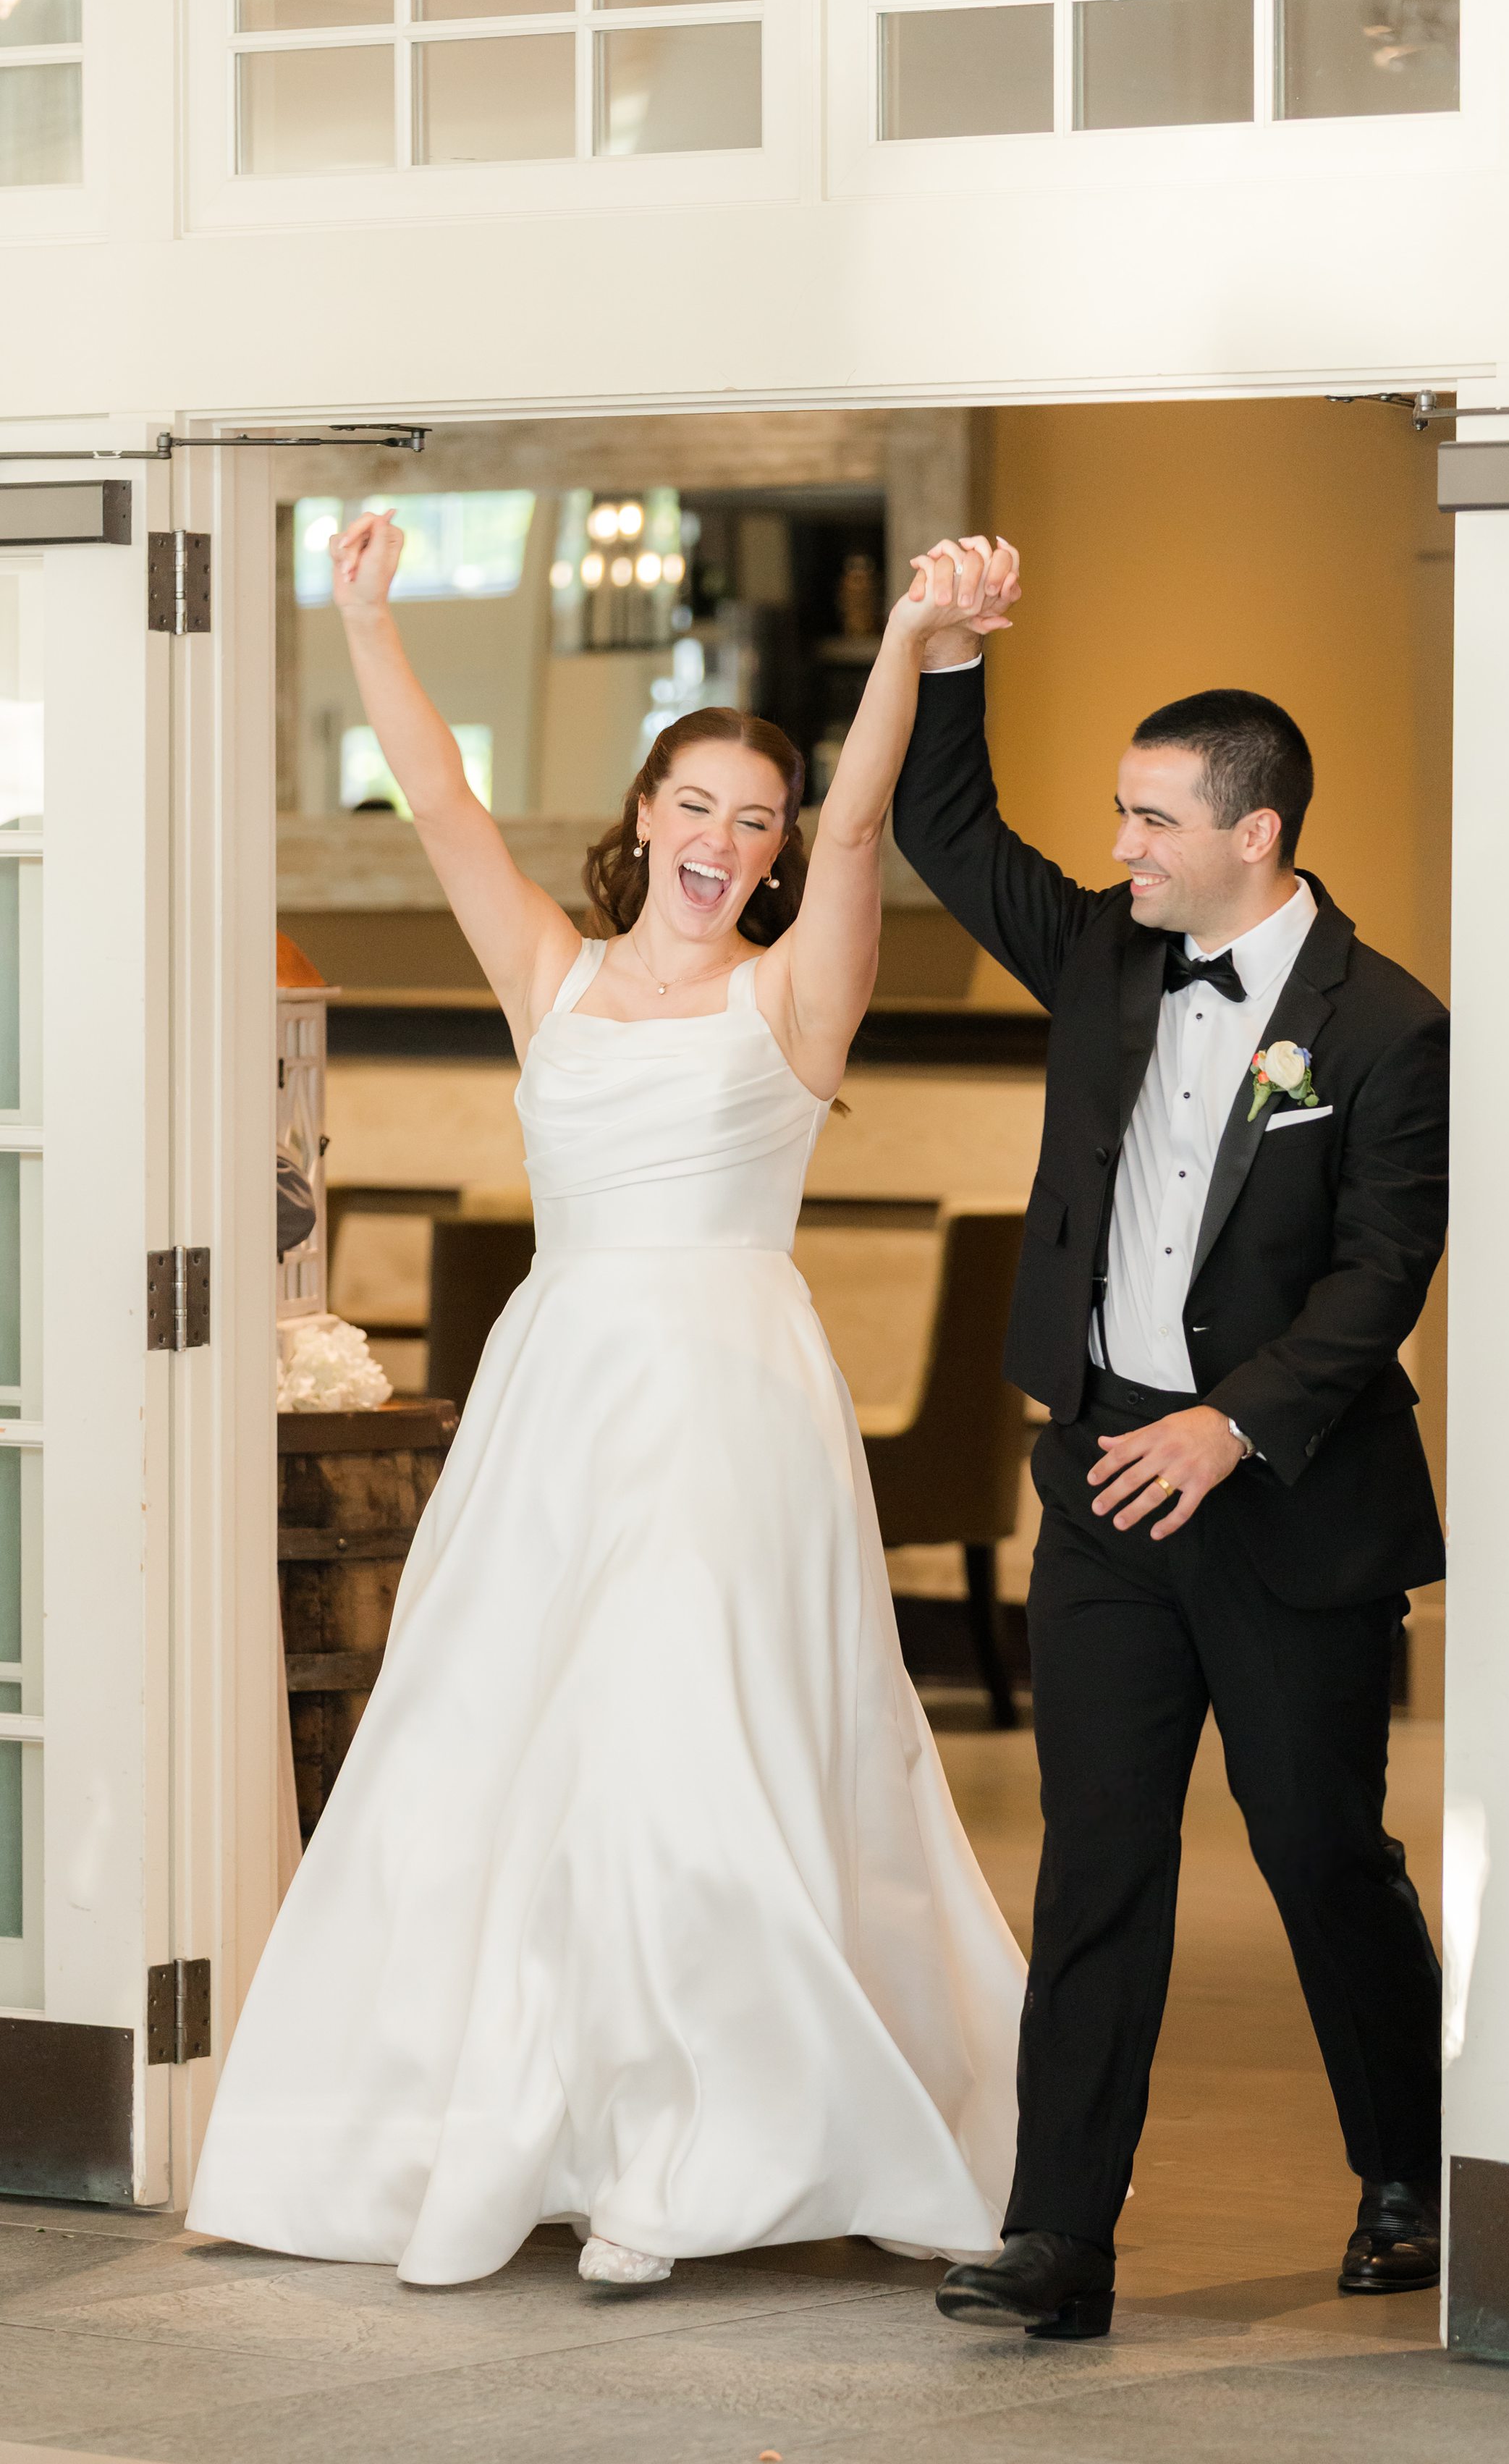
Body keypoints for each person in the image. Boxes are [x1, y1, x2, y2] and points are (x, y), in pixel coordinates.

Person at [188, 519, 1028, 2290]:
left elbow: (869, 816)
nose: (727, 844)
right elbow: (436, 807)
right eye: (700, 807)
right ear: (646, 812)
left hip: (727, 1410)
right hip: (557, 1404)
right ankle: (531, 2123)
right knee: (499, 1753)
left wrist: (914, 650)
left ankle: (679, 2159)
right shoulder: (551, 978)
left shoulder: (797, 996)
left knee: (680, 1761)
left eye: (758, 821)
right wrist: (361, 617)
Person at [890, 556, 1446, 2342]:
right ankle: (1062, 2239)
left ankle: (1413, 2172)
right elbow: (945, 829)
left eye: (1150, 818)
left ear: (1255, 834)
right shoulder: (1110, 959)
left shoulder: (1390, 1029)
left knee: (1318, 1853)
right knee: (1099, 1859)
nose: (1119, 844)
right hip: (1102, 1490)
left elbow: (1381, 1280)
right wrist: (949, 654)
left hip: (1288, 1506)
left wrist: (1234, 1426)